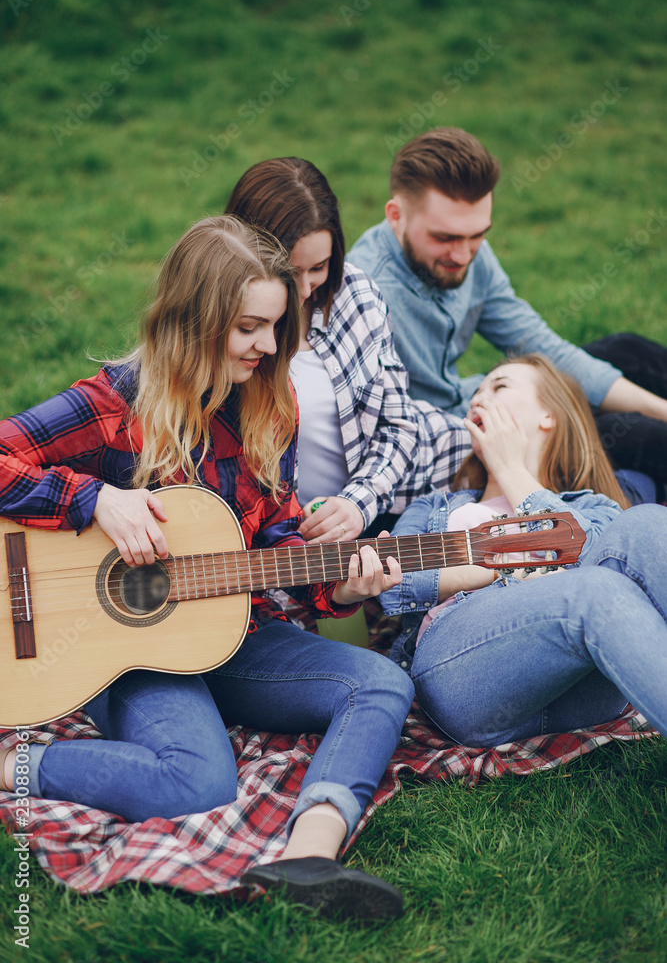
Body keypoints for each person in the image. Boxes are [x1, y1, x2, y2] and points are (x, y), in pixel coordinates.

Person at [0, 215, 415, 921]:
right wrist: (94, 499)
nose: (266, 346)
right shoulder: (113, 406)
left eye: (276, 327)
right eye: (248, 327)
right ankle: (13, 772)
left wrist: (337, 584)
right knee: (194, 782)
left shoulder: (268, 404)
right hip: (118, 648)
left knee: (380, 683)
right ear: (193, 318)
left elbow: (276, 539)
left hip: (231, 630)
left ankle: (308, 851)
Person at [349, 126, 667, 491]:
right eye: (445, 237)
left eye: (477, 234)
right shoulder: (368, 297)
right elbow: (385, 432)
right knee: (632, 434)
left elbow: (537, 341)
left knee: (627, 351)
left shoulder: (468, 250)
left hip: (477, 400)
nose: (463, 254)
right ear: (395, 215)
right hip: (445, 447)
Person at [379, 354, 667, 749]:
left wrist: (511, 469)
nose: (480, 397)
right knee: (595, 589)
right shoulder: (436, 508)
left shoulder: (595, 508)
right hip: (469, 678)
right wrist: (492, 571)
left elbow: (586, 552)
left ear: (548, 415)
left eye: (499, 387)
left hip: (584, 690)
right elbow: (395, 580)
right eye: (477, 391)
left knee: (650, 521)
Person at [225, 157, 471, 544]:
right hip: (304, 534)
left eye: (319, 267)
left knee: (555, 440)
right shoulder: (222, 325)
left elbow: (399, 423)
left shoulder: (353, 293)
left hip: (414, 484)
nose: (305, 290)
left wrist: (357, 503)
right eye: (289, 272)